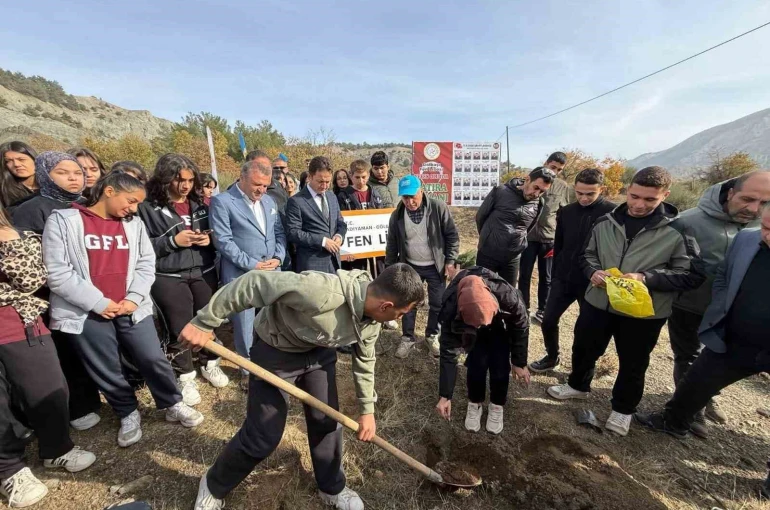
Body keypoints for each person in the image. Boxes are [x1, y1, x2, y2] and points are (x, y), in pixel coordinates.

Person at [183, 264, 425, 510]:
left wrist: (367, 410)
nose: (400, 318)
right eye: (401, 313)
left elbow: (364, 360)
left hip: (319, 353)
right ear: (385, 306)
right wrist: (204, 321)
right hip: (276, 351)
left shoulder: (372, 320)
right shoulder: (321, 292)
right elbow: (253, 283)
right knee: (263, 436)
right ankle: (213, 485)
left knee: (327, 423)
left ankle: (332, 487)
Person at [42, 171, 204, 448]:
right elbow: (57, 271)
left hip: (131, 306)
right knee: (106, 365)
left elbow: (145, 263)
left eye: (137, 204)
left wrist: (134, 296)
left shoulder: (133, 225)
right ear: (109, 191)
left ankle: (172, 402)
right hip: (88, 311)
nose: (132, 209)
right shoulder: (65, 221)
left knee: (152, 356)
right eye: (129, 201)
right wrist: (97, 302)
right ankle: (127, 412)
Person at [547, 166, 705, 437]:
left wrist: (646, 278)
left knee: (633, 361)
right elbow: (586, 255)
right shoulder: (606, 221)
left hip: (643, 313)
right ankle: (578, 386)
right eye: (634, 196)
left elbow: (692, 274)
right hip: (599, 302)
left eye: (649, 199)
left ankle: (622, 410)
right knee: (584, 346)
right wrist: (592, 272)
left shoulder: (679, 229)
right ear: (627, 190)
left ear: (664, 196)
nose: (639, 204)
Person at [635, 202, 770, 449]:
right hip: (736, 338)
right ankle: (674, 421)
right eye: (765, 227)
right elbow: (723, 277)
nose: (767, 235)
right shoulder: (747, 239)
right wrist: (723, 308)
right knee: (696, 380)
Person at [0, 203, 96, 509]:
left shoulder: (20, 236)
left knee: (49, 389)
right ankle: (9, 470)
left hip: (18, 322)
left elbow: (31, 280)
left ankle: (56, 448)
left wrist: (5, 238)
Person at [666, 171, 770, 436]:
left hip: (734, 316)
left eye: (764, 203)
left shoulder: (756, 226)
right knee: (690, 356)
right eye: (748, 199)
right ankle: (692, 411)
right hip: (690, 305)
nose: (754, 210)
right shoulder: (688, 221)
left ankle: (706, 398)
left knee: (714, 359)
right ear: (731, 193)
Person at [10, 152, 103, 431]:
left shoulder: (88, 205)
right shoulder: (31, 209)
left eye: (77, 173)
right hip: (51, 292)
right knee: (66, 352)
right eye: (63, 172)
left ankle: (94, 397)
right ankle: (77, 407)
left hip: (91, 288)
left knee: (89, 346)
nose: (74, 178)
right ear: (45, 174)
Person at [138, 154, 230, 407]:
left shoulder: (201, 204)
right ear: (165, 179)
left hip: (204, 270)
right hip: (169, 276)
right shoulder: (146, 207)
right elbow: (140, 246)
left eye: (190, 180)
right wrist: (171, 242)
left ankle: (210, 363)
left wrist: (209, 240)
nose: (185, 185)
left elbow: (218, 233)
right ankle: (185, 375)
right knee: (179, 327)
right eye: (179, 180)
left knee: (208, 319)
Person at [210, 156, 286, 388]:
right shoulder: (223, 202)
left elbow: (279, 233)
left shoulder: (270, 202)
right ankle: (246, 367)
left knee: (272, 317)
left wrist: (278, 257)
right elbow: (223, 241)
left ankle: (271, 359)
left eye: (265, 186)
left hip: (271, 271)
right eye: (257, 185)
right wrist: (252, 264)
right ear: (242, 178)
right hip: (241, 273)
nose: (261, 190)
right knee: (244, 322)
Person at [529, 169, 615, 373]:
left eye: (590, 194)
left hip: (593, 282)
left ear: (601, 190)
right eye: (579, 193)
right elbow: (558, 245)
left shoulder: (612, 213)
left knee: (585, 330)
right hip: (564, 279)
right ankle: (552, 356)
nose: (584, 198)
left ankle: (581, 371)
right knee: (548, 320)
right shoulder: (566, 212)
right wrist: (557, 271)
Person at [436, 267, 529, 434]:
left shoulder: (507, 296)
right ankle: (475, 401)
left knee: (500, 362)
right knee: (476, 362)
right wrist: (445, 395)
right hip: (468, 322)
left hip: (498, 319)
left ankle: (497, 404)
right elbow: (449, 352)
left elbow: (521, 324)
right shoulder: (450, 307)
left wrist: (519, 361)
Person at [385, 175, 459, 359]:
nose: (410, 201)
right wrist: (391, 270)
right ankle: (408, 338)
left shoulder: (438, 208)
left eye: (413, 196)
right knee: (409, 303)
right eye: (405, 197)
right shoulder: (397, 215)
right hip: (411, 266)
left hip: (435, 266)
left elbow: (452, 236)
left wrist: (450, 261)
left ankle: (432, 336)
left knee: (438, 303)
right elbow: (392, 244)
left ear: (421, 191)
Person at [475, 167, 553, 286]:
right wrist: (489, 237)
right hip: (488, 253)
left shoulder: (539, 203)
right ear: (527, 179)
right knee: (482, 292)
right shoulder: (500, 191)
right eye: (536, 187)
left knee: (508, 297)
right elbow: (481, 217)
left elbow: (529, 227)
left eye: (542, 191)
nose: (536, 194)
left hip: (512, 257)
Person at [518, 152, 570, 324]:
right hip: (528, 236)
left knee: (546, 276)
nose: (555, 171)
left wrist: (561, 239)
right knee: (524, 274)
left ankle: (543, 309)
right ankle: (523, 307)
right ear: (546, 163)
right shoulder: (531, 179)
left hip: (549, 239)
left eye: (559, 170)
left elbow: (564, 214)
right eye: (553, 166)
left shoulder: (562, 187)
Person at [286, 156, 347, 274]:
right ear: (310, 176)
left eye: (327, 182)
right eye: (320, 181)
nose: (324, 186)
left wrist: (340, 236)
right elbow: (293, 232)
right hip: (311, 266)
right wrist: (322, 241)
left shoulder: (332, 196)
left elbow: (340, 222)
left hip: (334, 264)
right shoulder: (296, 201)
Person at [0, 141, 38, 209]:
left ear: (34, 159)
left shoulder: (51, 187)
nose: (16, 164)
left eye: (21, 159)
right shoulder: (4, 191)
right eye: (9, 161)